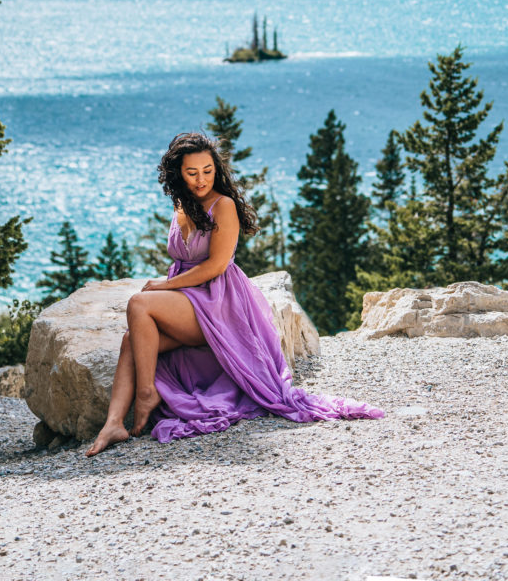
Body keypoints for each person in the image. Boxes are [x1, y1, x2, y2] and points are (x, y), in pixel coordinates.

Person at [85, 131, 383, 455]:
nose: (201, 180)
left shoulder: (223, 205)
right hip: (188, 298)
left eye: (208, 171)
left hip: (217, 303)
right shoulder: (181, 204)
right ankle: (113, 423)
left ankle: (146, 393)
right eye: (192, 173)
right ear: (177, 174)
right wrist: (172, 287)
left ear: (217, 169)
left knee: (140, 304)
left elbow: (215, 266)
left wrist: (164, 285)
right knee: (132, 339)